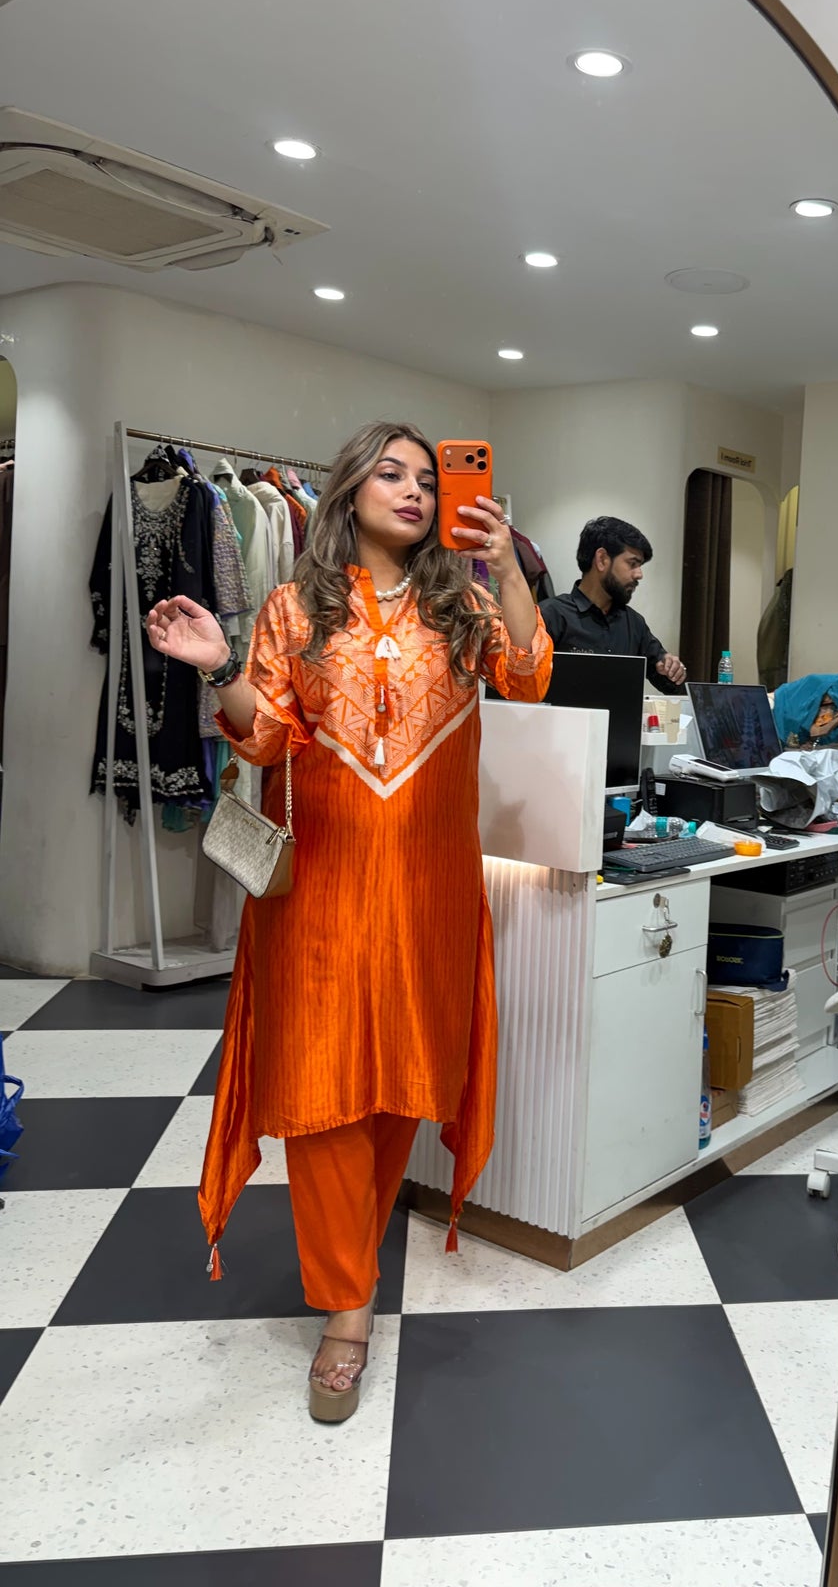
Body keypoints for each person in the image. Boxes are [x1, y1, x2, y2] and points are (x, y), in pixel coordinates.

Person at [145, 421, 552, 1423]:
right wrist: (218, 666)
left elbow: (529, 673)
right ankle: (347, 1308)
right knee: (322, 1091)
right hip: (320, 890)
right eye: (391, 473)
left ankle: (349, 1275)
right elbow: (266, 736)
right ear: (349, 491)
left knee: (398, 1085)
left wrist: (504, 566)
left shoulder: (462, 606)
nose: (414, 490)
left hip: (428, 888)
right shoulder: (294, 606)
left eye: (428, 479)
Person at [539, 515, 687, 689]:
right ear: (602, 559)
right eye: (632, 563)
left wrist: (673, 670)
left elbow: (672, 686)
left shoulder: (634, 624)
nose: (639, 574)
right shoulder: (550, 616)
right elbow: (524, 687)